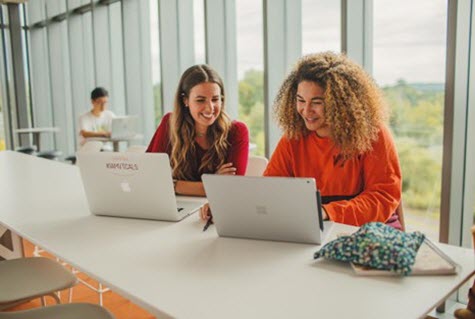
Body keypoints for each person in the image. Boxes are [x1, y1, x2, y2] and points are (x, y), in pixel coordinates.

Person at [264, 51, 402, 229]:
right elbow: (270, 190)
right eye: (300, 100)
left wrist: (326, 212)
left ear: (340, 103)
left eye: (317, 102)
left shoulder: (373, 134)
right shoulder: (293, 137)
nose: (306, 111)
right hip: (314, 227)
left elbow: (383, 197)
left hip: (371, 229)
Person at [147, 64, 249, 207]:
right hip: (175, 207)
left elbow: (230, 188)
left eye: (215, 99)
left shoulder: (236, 131)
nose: (210, 108)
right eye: (200, 100)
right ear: (185, 101)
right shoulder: (170, 123)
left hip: (216, 210)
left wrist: (173, 184)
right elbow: (149, 178)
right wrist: (212, 183)